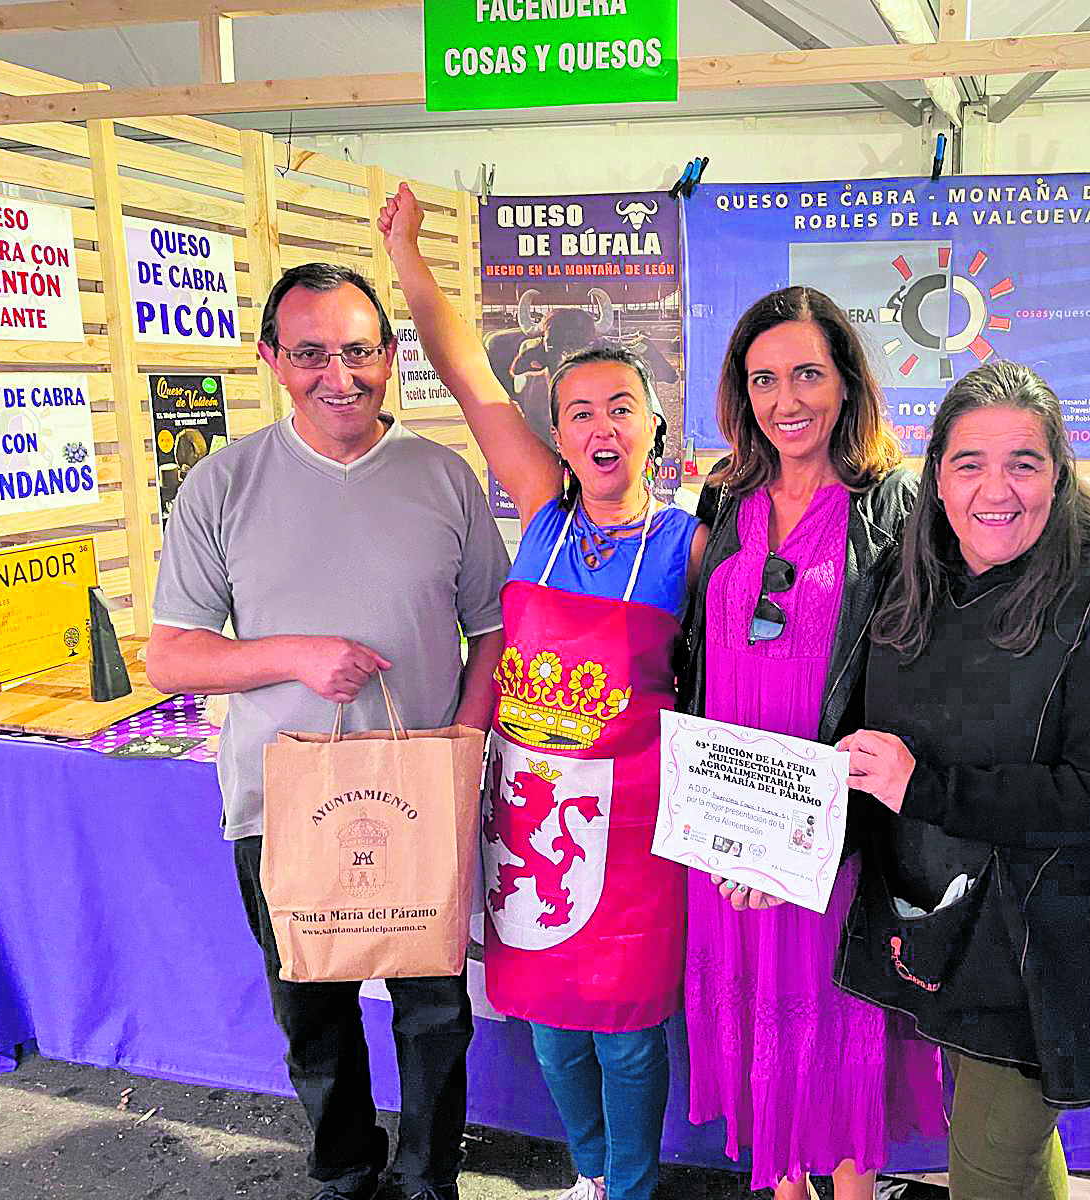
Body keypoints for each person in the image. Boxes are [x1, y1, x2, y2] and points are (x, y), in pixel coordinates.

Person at [146, 262, 509, 1200]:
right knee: (313, 1007)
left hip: (419, 799)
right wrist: (294, 654)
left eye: (358, 351)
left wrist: (459, 755)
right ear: (272, 359)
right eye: (310, 354)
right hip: (281, 803)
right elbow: (173, 658)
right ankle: (346, 1166)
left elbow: (494, 632)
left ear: (389, 355)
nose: (337, 375)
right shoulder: (221, 486)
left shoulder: (443, 476)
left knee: (435, 1011)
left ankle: (429, 1176)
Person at [380, 185, 706, 1200]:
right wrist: (406, 259)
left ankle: (634, 1188)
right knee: (556, 1033)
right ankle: (594, 1172)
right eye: (579, 412)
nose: (601, 425)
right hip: (527, 822)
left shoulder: (691, 541)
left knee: (630, 1036)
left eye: (621, 408)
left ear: (654, 427)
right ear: (556, 435)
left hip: (639, 832)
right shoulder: (542, 514)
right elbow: (468, 373)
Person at [835, 360, 1090, 1199]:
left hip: (1034, 932)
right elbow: (860, 745)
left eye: (1024, 462)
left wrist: (930, 789)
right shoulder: (913, 576)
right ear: (935, 475)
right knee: (996, 1144)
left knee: (988, 1158)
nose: (995, 489)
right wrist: (780, 847)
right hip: (933, 916)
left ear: (1058, 473)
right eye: (969, 462)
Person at [679, 286, 947, 1200]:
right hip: (727, 815)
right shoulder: (725, 498)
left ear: (847, 383)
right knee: (757, 1018)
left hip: (829, 827)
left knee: (832, 1022)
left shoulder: (893, 506)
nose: (785, 400)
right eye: (763, 379)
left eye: (807, 374)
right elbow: (695, 651)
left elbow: (916, 671)